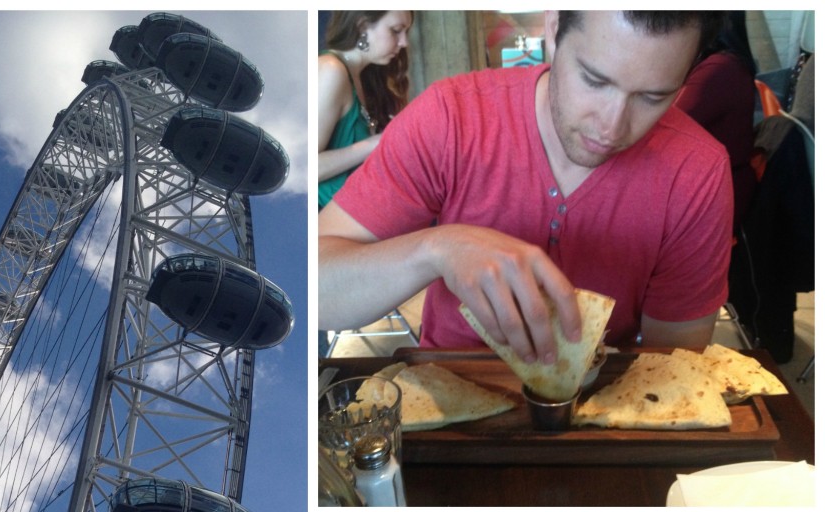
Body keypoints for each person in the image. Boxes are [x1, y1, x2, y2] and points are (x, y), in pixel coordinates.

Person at [319, 11, 732, 365]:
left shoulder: (698, 173)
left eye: (653, 97)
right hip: (446, 404)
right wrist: (438, 249)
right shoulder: (450, 117)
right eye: (593, 80)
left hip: (603, 411)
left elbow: (670, 371)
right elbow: (313, 286)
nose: (612, 126)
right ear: (553, 29)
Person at [318, 12, 413, 210]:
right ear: (362, 26)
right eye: (395, 31)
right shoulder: (331, 71)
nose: (404, 42)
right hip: (330, 223)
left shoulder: (369, 78)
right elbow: (306, 166)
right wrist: (378, 142)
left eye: (406, 32)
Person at [674, 12, 758, 232]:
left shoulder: (719, 69)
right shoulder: (727, 62)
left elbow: (668, 124)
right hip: (717, 183)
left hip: (717, 197)